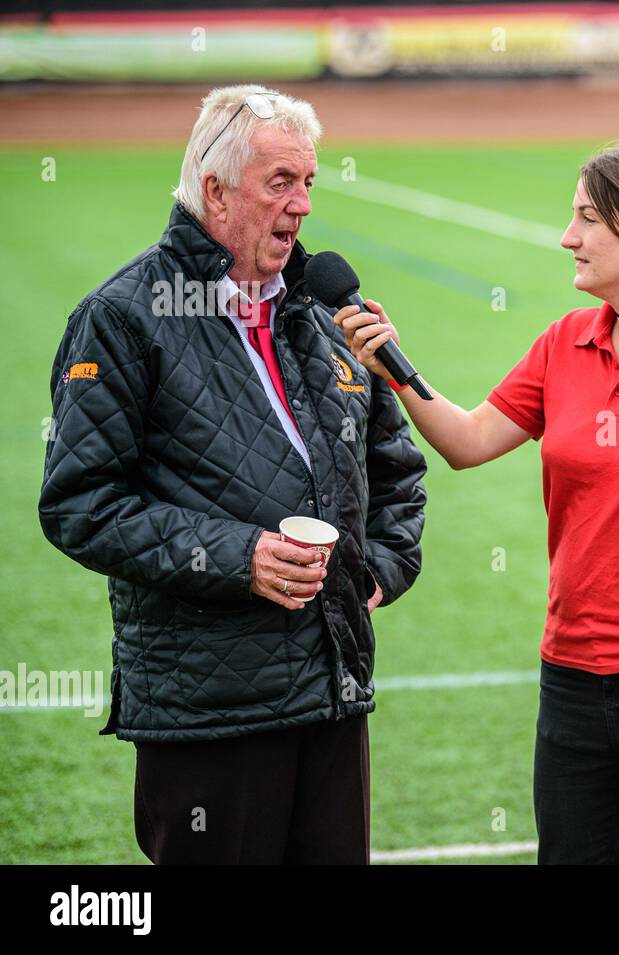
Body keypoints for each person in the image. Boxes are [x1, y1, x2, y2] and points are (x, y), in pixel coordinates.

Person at [335, 143, 619, 865]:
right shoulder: (563, 344)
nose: (567, 236)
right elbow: (468, 440)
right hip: (572, 680)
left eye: (586, 218)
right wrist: (395, 365)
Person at [38, 85, 427, 864]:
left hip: (332, 691)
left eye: (310, 182)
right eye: (281, 182)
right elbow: (80, 502)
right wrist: (238, 556)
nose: (303, 204)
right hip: (211, 708)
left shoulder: (322, 314)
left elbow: (397, 469)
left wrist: (379, 566)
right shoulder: (123, 316)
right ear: (213, 189)